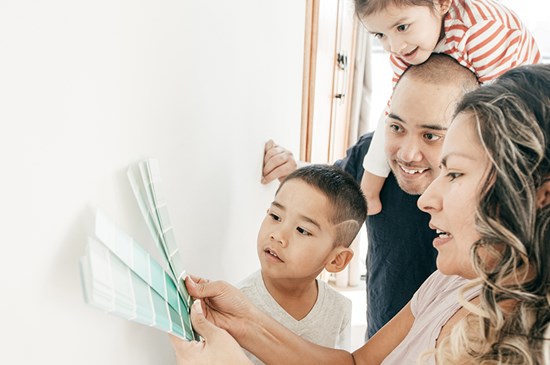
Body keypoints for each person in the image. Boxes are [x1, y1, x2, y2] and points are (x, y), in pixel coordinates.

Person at [171, 63, 550, 365]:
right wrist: (244, 322)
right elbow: (359, 363)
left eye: (454, 174)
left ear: (539, 195)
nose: (426, 200)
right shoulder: (451, 284)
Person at [263, 53, 479, 338]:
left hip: (452, 340)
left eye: (430, 136)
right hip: (381, 328)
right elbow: (330, 191)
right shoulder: (370, 157)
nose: (407, 154)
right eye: (396, 127)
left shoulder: (485, 187)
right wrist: (293, 170)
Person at [357, 0, 541, 216]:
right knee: (399, 110)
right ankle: (368, 193)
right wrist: (372, 182)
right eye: (380, 35)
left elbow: (497, 113)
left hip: (514, 95)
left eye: (402, 27)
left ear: (442, 3)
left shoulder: (482, 30)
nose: (394, 47)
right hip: (456, 65)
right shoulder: (404, 47)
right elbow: (395, 108)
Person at [238, 164, 367, 363]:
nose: (278, 235)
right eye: (275, 216)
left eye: (302, 230)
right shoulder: (237, 304)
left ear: (336, 259)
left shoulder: (339, 309)